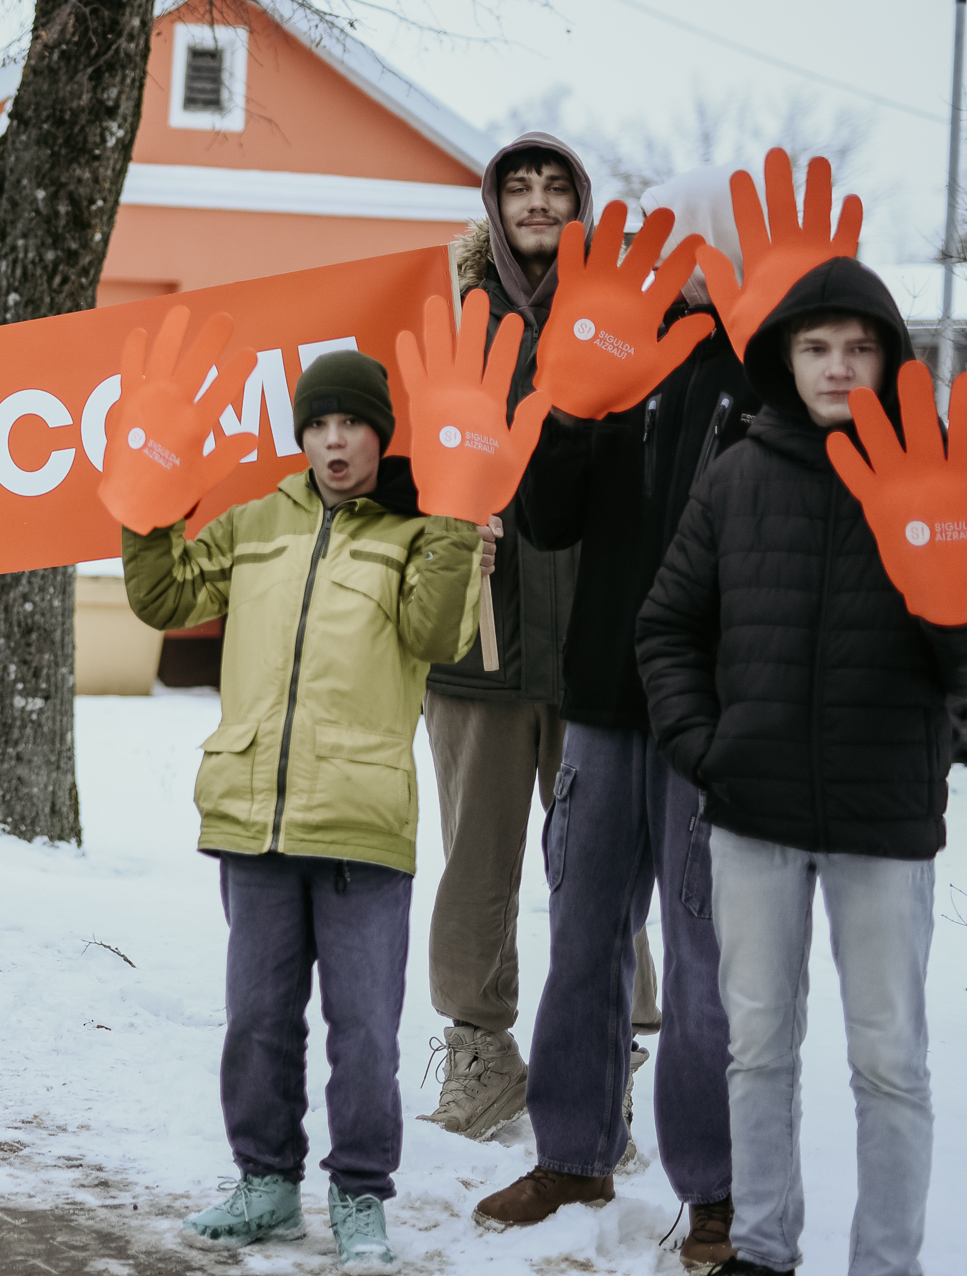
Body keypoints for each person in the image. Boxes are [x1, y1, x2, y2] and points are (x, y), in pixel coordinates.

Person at [120, 350, 485, 1272]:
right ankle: (267, 1183)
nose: (335, 438)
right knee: (257, 1018)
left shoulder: (415, 533)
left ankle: (361, 1193)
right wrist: (146, 499)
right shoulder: (252, 525)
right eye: (320, 423)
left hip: (363, 824)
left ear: (378, 436)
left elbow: (438, 635)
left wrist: (453, 519)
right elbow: (164, 594)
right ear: (302, 434)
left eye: (353, 423)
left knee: (363, 1028)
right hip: (255, 814)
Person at [639, 258, 964, 1276]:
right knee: (759, 1047)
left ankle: (885, 1262)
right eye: (816, 346)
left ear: (886, 356)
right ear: (786, 356)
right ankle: (763, 1248)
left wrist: (937, 726)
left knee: (890, 1062)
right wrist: (706, 749)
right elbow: (666, 628)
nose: (836, 365)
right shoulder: (737, 472)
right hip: (753, 813)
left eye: (857, 346)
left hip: (883, 819)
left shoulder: (939, 480)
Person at [479, 166, 746, 1264]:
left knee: (700, 952)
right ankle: (574, 1151)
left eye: (692, 245)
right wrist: (571, 404)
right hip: (601, 691)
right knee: (583, 935)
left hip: (712, 709)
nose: (674, 264)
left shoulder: (758, 366)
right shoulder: (611, 346)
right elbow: (544, 520)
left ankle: (717, 1188)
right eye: (659, 243)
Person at [417, 135, 588, 1137]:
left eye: (552, 185)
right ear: (491, 203)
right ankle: (480, 1049)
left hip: (591, 647)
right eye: (517, 185)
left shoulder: (617, 319)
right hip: (475, 642)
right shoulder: (447, 308)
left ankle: (600, 1048)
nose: (534, 200)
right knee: (476, 862)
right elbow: (397, 448)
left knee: (596, 862)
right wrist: (448, 517)